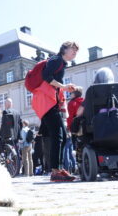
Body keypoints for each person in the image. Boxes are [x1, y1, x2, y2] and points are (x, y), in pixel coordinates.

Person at [32, 41, 79, 182]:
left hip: (50, 101)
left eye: (77, 51)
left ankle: (58, 168)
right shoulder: (57, 60)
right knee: (58, 135)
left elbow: (54, 83)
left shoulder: (60, 62)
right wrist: (64, 87)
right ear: (64, 49)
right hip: (45, 101)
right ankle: (55, 171)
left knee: (62, 136)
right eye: (73, 49)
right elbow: (47, 76)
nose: (75, 52)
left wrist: (63, 88)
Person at [63, 88, 84, 173]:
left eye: (71, 93)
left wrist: (69, 127)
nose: (70, 94)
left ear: (74, 94)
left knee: (77, 148)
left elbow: (70, 117)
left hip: (77, 128)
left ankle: (79, 167)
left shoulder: (72, 103)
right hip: (86, 126)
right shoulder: (84, 101)